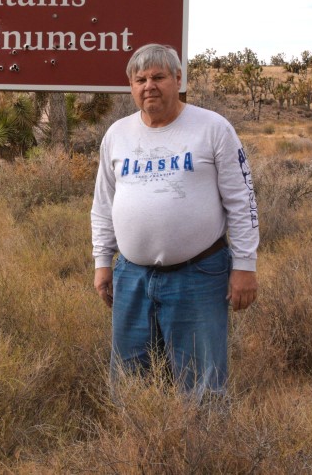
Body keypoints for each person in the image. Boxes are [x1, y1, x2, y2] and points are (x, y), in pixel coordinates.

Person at [91, 43, 259, 399]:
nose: (149, 85)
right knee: (131, 382)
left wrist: (245, 265)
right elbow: (103, 204)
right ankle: (139, 450)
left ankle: (204, 451)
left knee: (202, 384)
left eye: (158, 77)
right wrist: (102, 262)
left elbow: (241, 200)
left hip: (198, 274)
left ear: (178, 79)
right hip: (132, 275)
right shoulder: (117, 135)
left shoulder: (213, 128)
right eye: (140, 79)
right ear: (131, 87)